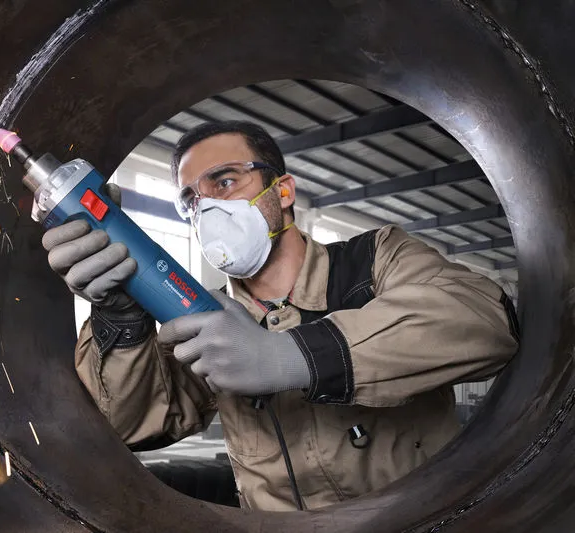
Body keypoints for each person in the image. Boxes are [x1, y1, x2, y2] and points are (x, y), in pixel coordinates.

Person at [41, 120, 519, 511]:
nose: (207, 207)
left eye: (225, 181)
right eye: (191, 199)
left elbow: (485, 319)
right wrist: (121, 318)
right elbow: (128, 425)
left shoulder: (375, 260)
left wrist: (290, 356)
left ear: (283, 190)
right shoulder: (205, 320)